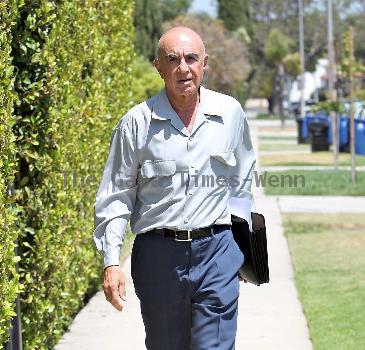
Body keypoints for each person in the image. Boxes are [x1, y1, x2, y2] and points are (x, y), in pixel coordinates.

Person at [93, 26, 256, 350]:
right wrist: (112, 261)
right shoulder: (136, 124)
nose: (183, 67)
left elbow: (242, 181)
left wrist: (242, 248)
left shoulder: (230, 113)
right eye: (173, 59)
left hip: (217, 251)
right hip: (158, 255)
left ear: (204, 63)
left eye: (191, 58)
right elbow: (116, 195)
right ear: (159, 67)